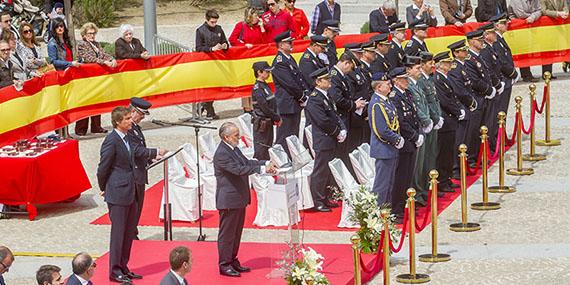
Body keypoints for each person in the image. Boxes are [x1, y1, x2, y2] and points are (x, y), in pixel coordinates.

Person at [214, 122, 276, 277]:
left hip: (238, 198)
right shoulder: (222, 153)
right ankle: (224, 264)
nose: (239, 137)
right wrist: (262, 169)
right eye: (236, 135)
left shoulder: (233, 149)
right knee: (227, 235)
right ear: (226, 137)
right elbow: (238, 170)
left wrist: (265, 162)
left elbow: (246, 162)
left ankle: (232, 259)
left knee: (236, 233)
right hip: (229, 200)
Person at [96, 107, 142, 284]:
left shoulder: (128, 136)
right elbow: (103, 168)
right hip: (117, 192)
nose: (131, 121)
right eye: (127, 119)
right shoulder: (111, 140)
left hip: (130, 191)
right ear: (117, 122)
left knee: (128, 232)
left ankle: (124, 266)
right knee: (118, 234)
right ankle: (114, 270)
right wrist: (105, 187)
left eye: (130, 118)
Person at [305, 67, 346, 212]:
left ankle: (326, 196)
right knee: (321, 170)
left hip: (331, 138)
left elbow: (334, 115)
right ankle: (318, 200)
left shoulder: (326, 96)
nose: (329, 81)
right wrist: (336, 132)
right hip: (324, 139)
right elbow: (322, 121)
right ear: (318, 81)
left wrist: (342, 128)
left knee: (328, 170)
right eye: (326, 79)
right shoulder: (315, 99)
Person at [128, 97, 166, 240]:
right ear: (133, 111)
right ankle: (131, 235)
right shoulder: (129, 129)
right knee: (133, 209)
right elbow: (136, 150)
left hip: (140, 172)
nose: (142, 117)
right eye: (141, 114)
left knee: (137, 209)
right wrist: (155, 152)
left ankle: (133, 233)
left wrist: (150, 158)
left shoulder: (135, 128)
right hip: (133, 175)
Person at [368, 71, 403, 210]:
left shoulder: (385, 101)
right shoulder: (377, 104)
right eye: (387, 84)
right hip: (384, 148)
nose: (390, 86)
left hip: (390, 148)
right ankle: (378, 213)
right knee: (382, 185)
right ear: (378, 88)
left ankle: (386, 212)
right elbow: (380, 130)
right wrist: (396, 139)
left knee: (389, 183)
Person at [391, 66, 424, 212]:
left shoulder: (407, 93)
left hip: (412, 139)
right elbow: (401, 121)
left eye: (406, 78)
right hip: (405, 140)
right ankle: (397, 207)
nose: (406, 81)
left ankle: (406, 202)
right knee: (401, 175)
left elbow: (413, 114)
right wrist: (414, 136)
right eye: (403, 79)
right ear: (396, 81)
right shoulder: (394, 97)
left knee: (409, 174)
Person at [271, 30, 309, 158]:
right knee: (284, 135)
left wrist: (305, 92)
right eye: (288, 42)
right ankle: (280, 159)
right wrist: (302, 96)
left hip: (294, 103)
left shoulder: (289, 58)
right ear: (281, 45)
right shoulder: (280, 62)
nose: (291, 44)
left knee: (293, 133)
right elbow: (289, 83)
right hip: (286, 104)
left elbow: (299, 78)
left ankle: (291, 156)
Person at [433, 51, 465, 196]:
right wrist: (458, 111)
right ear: (440, 65)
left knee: (448, 152)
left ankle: (447, 178)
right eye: (446, 63)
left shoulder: (446, 77)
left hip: (451, 119)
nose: (449, 64)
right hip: (446, 120)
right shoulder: (438, 79)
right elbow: (444, 101)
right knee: (443, 152)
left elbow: (453, 96)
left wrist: (458, 109)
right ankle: (442, 181)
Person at [77, 22, 116, 136]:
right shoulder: (81, 44)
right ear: (84, 35)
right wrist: (104, 62)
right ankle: (81, 128)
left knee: (96, 101)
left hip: (96, 78)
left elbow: (103, 54)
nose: (92, 35)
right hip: (85, 77)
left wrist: (112, 59)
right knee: (85, 103)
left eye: (93, 33)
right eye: (89, 33)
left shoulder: (97, 44)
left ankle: (96, 126)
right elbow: (88, 58)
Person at [330, 51, 365, 178]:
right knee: (340, 153)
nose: (350, 71)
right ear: (346, 63)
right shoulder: (334, 76)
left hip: (345, 117)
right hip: (340, 118)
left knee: (345, 151)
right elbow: (337, 98)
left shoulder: (341, 76)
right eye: (350, 67)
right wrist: (353, 105)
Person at [464, 30, 496, 168]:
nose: (482, 42)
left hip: (484, 97)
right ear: (471, 41)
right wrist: (489, 90)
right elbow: (475, 81)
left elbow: (486, 73)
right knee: (474, 130)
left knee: (482, 128)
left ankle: (478, 155)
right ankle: (472, 158)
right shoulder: (469, 59)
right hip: (477, 97)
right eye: (479, 40)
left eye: (482, 40)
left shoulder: (478, 57)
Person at [447, 39, 479, 180]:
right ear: (456, 53)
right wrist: (470, 101)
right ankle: (456, 168)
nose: (466, 52)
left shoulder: (463, 66)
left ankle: (462, 165)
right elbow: (459, 90)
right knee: (459, 139)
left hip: (467, 106)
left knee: (464, 138)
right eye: (463, 51)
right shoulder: (455, 69)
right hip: (461, 106)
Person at [417, 52, 446, 192]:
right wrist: (434, 119)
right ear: (422, 65)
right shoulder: (421, 81)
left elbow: (434, 100)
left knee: (432, 155)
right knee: (427, 158)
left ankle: (431, 183)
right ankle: (426, 187)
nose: (433, 65)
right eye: (430, 63)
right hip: (428, 123)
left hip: (434, 123)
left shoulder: (428, 79)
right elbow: (425, 104)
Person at [406, 55, 431, 201]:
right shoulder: (409, 86)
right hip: (418, 127)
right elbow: (416, 108)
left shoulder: (416, 84)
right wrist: (426, 120)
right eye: (417, 68)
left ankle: (420, 191)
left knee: (422, 162)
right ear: (409, 70)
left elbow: (425, 103)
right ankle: (415, 193)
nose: (420, 70)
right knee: (416, 165)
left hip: (423, 125)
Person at [195, 10, 229, 120]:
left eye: (215, 22)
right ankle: (208, 109)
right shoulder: (200, 30)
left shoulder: (219, 29)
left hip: (217, 63)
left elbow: (226, 42)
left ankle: (205, 106)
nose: (214, 24)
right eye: (212, 22)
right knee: (208, 87)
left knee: (216, 87)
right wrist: (211, 49)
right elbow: (198, 48)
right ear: (207, 19)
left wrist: (224, 45)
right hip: (206, 63)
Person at [509, 0, 553, 81]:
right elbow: (520, 14)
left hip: (533, 25)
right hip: (519, 28)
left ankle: (547, 73)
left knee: (544, 46)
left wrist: (533, 17)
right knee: (523, 50)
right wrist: (534, 15)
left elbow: (540, 10)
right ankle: (526, 75)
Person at [479, 23, 506, 151]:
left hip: (496, 87)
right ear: (486, 35)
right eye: (493, 33)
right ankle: (490, 146)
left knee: (494, 118)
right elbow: (488, 71)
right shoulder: (485, 51)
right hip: (491, 89)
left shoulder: (491, 48)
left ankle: (494, 142)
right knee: (489, 120)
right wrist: (497, 84)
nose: (495, 35)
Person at [251, 61, 280, 160]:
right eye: (267, 72)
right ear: (259, 72)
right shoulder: (258, 88)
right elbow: (265, 107)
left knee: (268, 145)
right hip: (262, 123)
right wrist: (276, 117)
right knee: (261, 148)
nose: (269, 74)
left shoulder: (264, 85)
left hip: (268, 121)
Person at [491, 13, 519, 116]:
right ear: (497, 26)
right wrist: (513, 74)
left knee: (503, 110)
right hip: (502, 79)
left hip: (506, 79)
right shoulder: (495, 41)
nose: (506, 24)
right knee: (500, 110)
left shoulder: (500, 39)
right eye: (503, 23)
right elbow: (501, 62)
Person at [540, 0, 568, 73]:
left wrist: (566, 13)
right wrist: (557, 13)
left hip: (560, 27)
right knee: (547, 51)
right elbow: (544, 11)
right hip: (547, 28)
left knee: (563, 48)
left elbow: (566, 7)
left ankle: (566, 64)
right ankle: (547, 73)